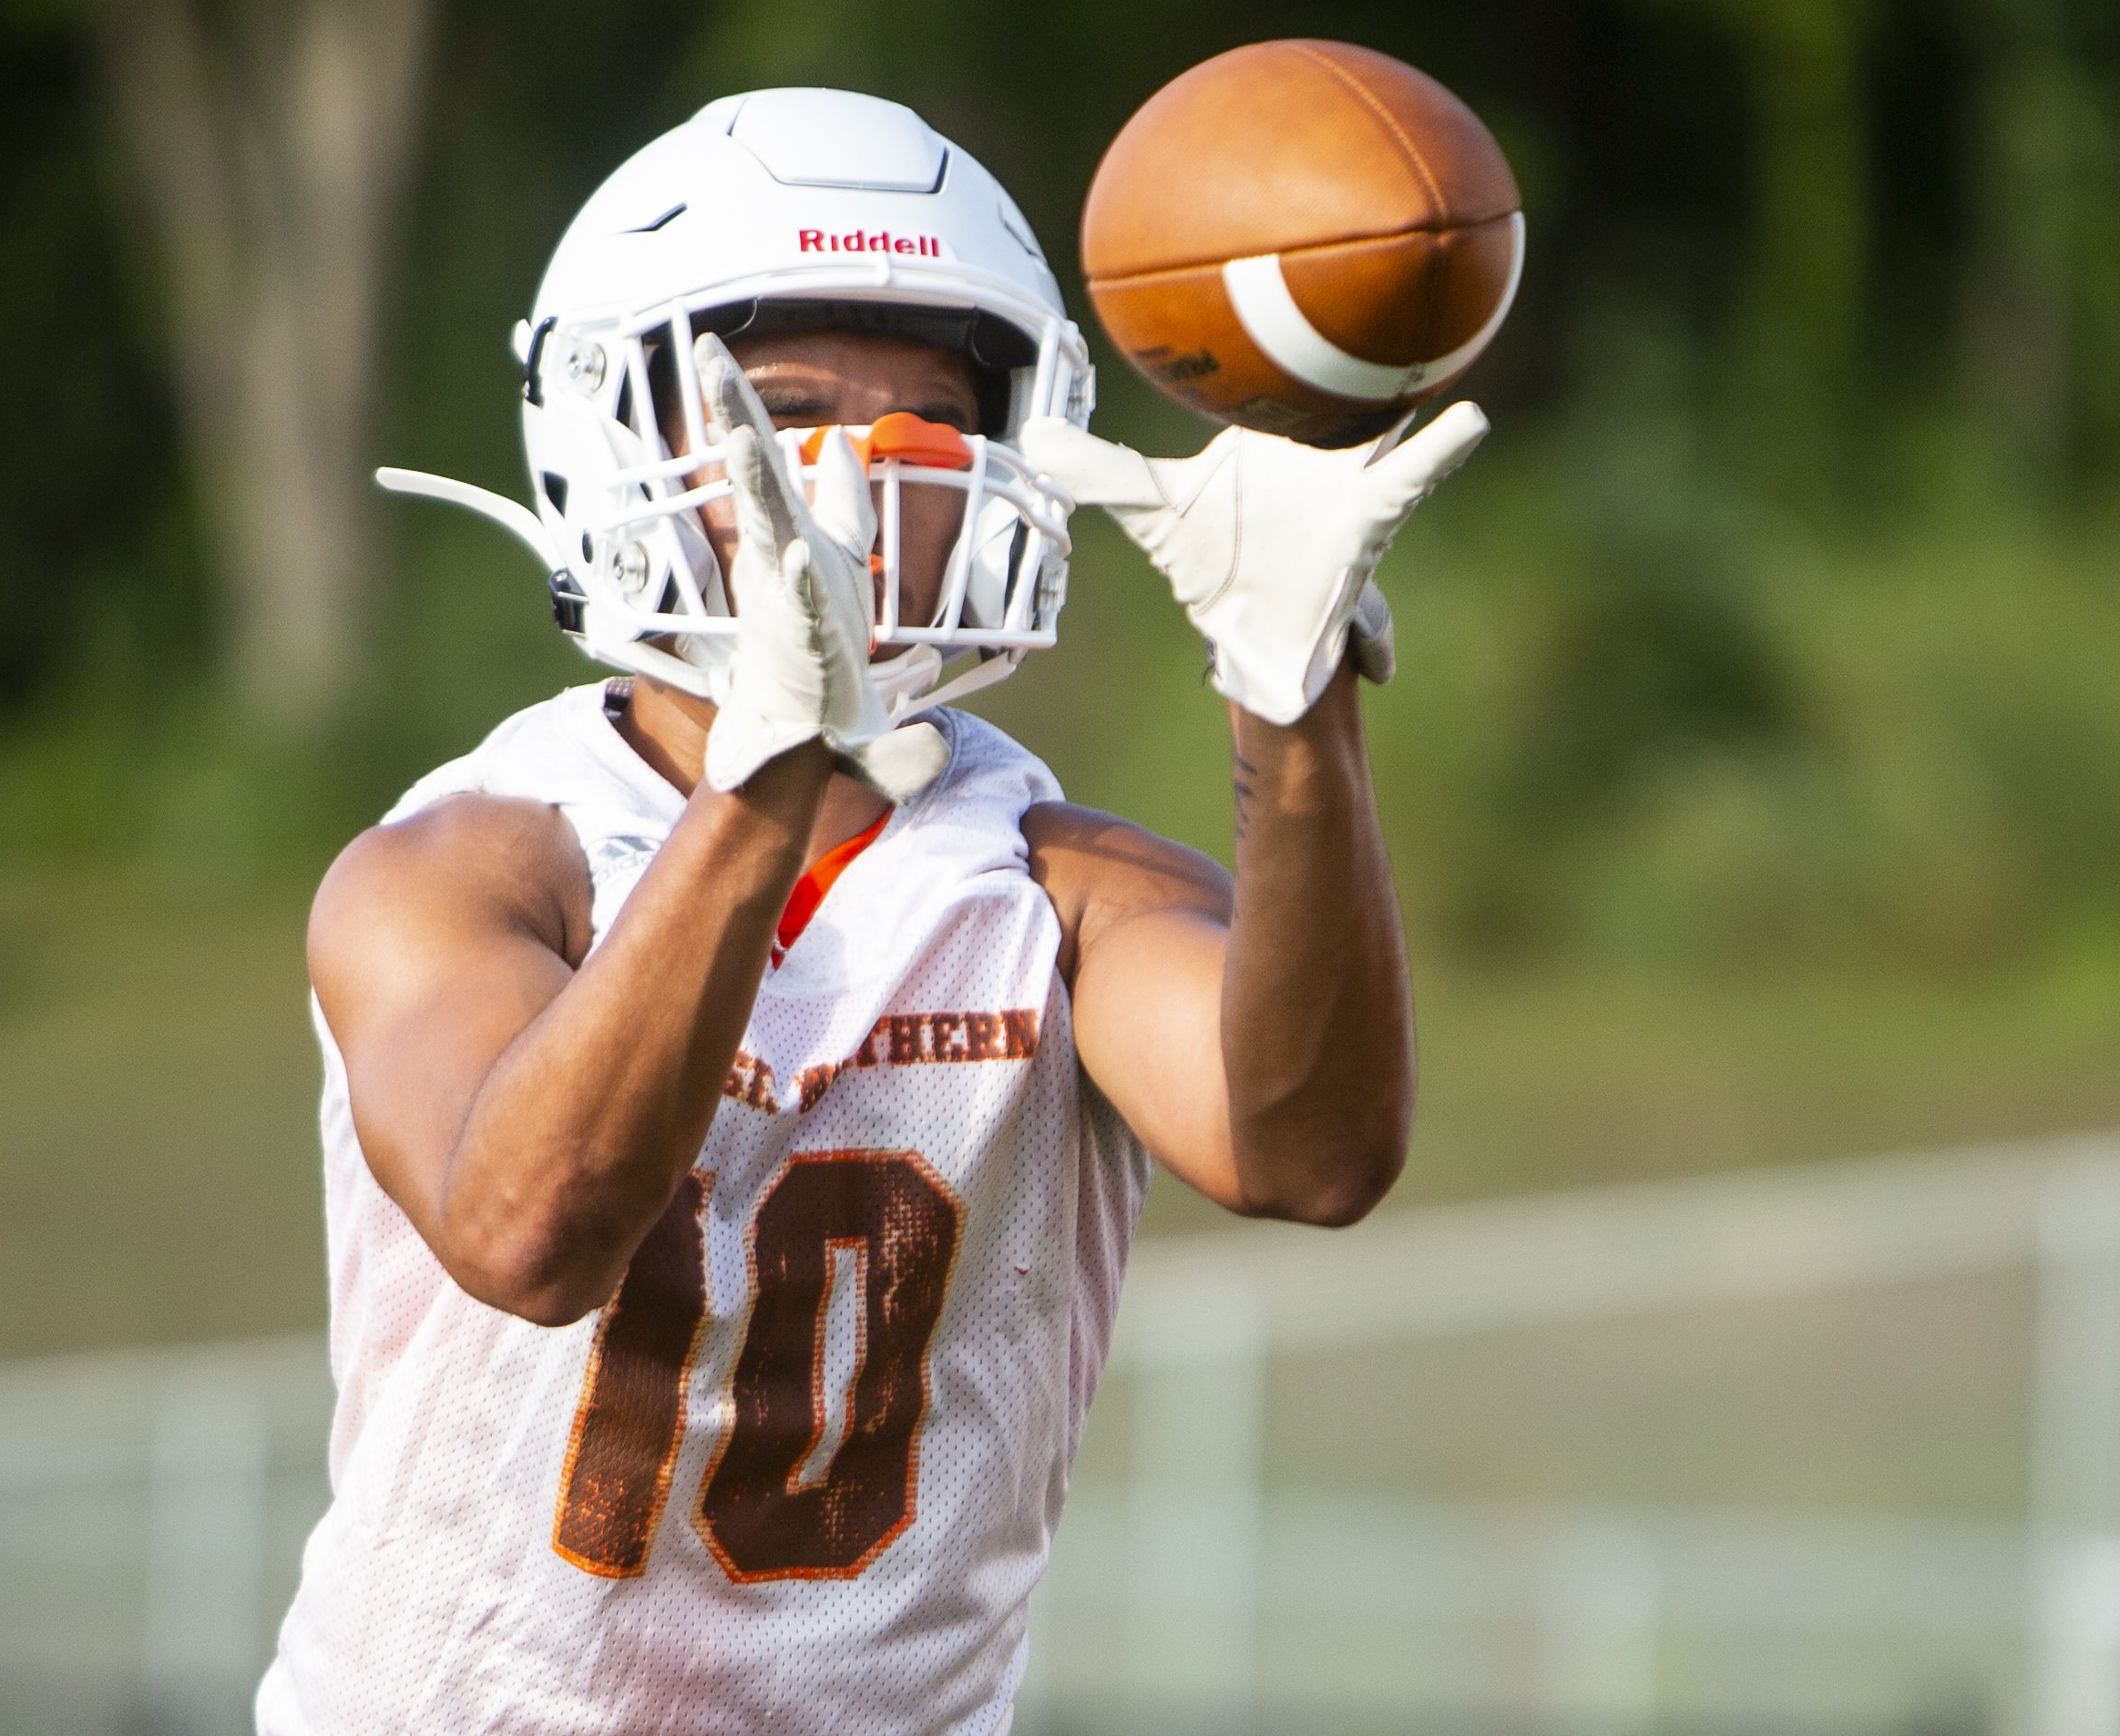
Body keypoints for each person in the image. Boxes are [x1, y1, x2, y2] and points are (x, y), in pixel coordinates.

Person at [255, 87, 1486, 1734]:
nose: (855, 473)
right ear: (613, 431)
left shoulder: (1057, 879)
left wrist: (1294, 705)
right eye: (779, 411)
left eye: (924, 419)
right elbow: (529, 1236)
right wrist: (766, 774)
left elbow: (1313, 1155)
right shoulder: (471, 865)